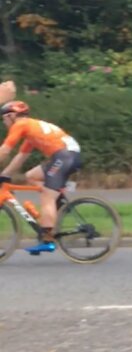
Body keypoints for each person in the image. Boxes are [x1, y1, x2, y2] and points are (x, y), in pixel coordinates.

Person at [0, 101, 82, 254]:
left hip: (64, 156)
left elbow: (4, 150)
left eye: (4, 119)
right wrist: (4, 175)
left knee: (47, 196)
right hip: (65, 155)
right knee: (31, 176)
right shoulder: (31, 129)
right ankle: (56, 206)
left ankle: (48, 239)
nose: (4, 122)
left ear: (11, 116)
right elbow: (20, 157)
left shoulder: (21, 125)